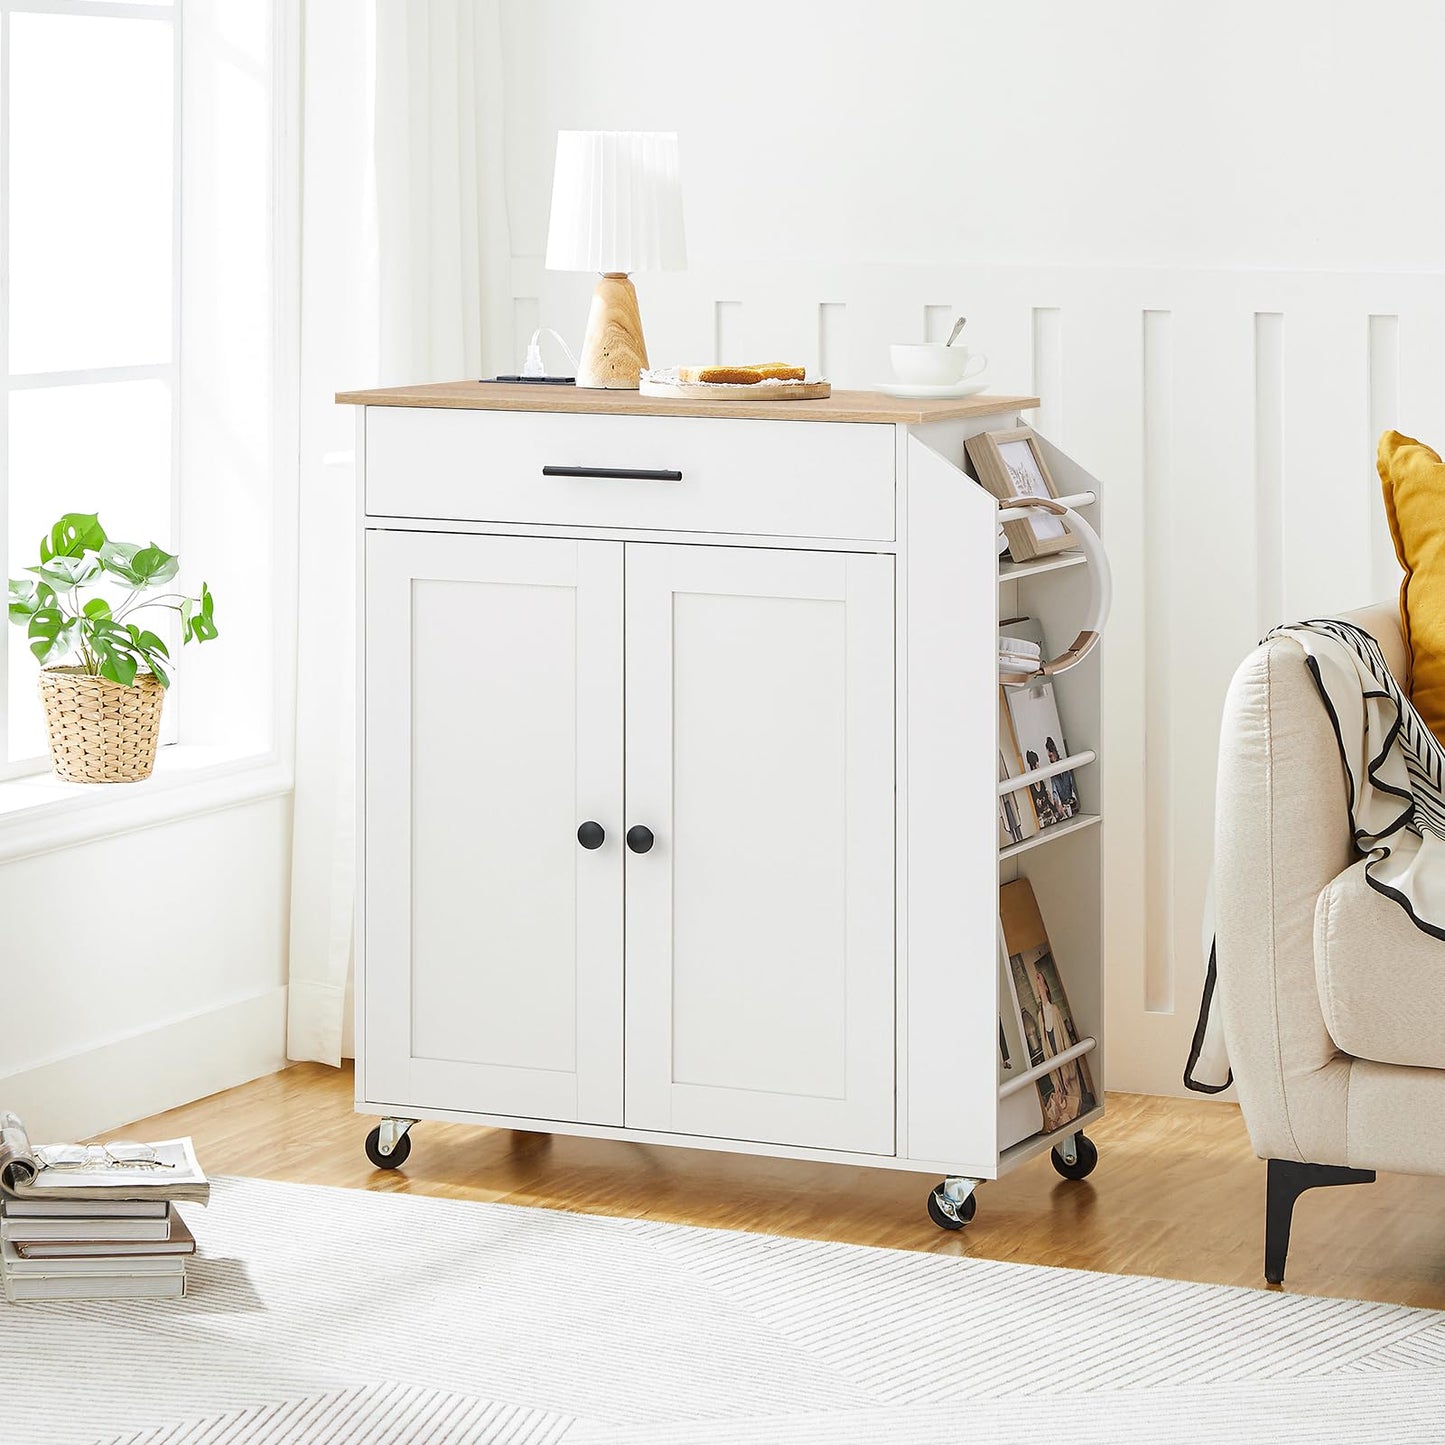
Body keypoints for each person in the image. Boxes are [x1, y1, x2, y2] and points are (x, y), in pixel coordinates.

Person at [1046, 737, 1078, 818]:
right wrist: (1058, 804)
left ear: (1054, 752)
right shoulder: (1052, 772)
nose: (1050, 759)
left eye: (1050, 756)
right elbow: (1054, 791)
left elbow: (1073, 783)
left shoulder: (1064, 765)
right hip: (1064, 804)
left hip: (1073, 800)